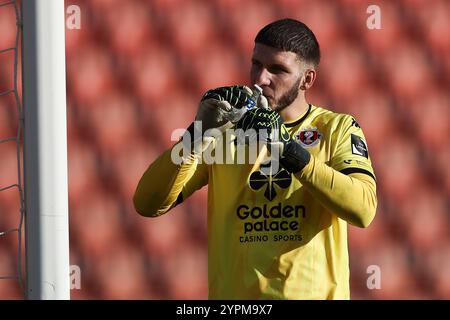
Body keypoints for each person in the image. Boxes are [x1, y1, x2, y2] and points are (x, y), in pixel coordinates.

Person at [133, 18, 377, 299]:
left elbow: (363, 209)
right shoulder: (225, 133)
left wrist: (288, 150)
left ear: (307, 79)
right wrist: (195, 135)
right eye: (256, 64)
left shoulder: (336, 129)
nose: (261, 78)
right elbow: (147, 204)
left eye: (277, 69)